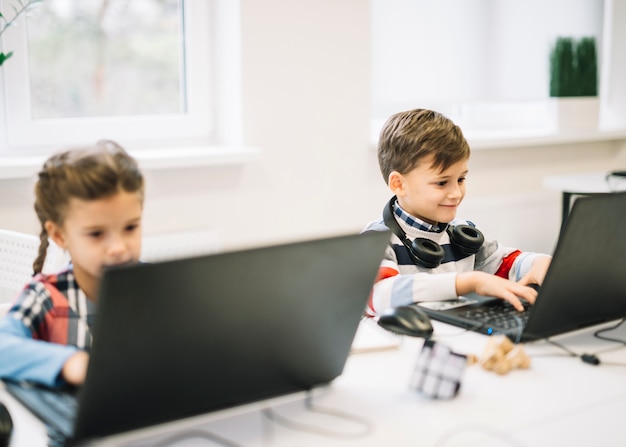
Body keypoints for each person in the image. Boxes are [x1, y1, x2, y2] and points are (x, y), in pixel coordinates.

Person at [363, 108, 551, 317]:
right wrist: (467, 282)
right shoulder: (377, 240)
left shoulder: (462, 234)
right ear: (399, 184)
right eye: (442, 182)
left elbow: (504, 264)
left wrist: (538, 263)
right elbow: (378, 296)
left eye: (461, 179)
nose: (456, 193)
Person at [0, 140, 145, 387]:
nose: (118, 247)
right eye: (96, 234)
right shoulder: (46, 297)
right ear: (59, 235)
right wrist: (71, 363)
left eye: (130, 227)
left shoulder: (156, 287)